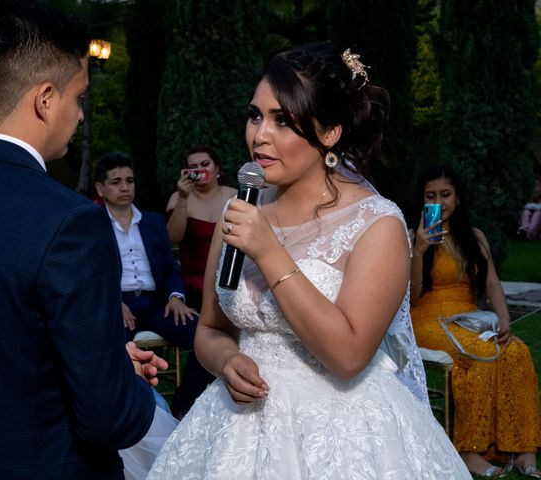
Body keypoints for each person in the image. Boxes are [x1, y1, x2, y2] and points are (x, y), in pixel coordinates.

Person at [149, 44, 470, 479]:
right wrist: (226, 360)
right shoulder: (240, 210)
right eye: (255, 115)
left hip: (343, 434)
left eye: (282, 120)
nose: (259, 135)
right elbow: (210, 327)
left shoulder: (377, 224)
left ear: (330, 132)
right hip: (237, 429)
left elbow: (349, 355)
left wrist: (269, 251)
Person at [0, 1, 165, 479]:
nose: (81, 115)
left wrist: (100, 357)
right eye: (79, 97)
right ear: (45, 99)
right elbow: (108, 419)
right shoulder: (71, 223)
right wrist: (124, 382)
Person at [410, 164, 541, 478]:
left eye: (446, 195)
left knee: (516, 353)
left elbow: (492, 283)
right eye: (431, 196)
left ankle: (521, 449)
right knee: (480, 356)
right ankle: (469, 451)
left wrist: (504, 321)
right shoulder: (411, 236)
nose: (439, 203)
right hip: (427, 320)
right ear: (422, 200)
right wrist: (419, 250)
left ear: (458, 198)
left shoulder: (475, 237)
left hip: (469, 319)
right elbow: (409, 298)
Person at [94, 152, 215, 417]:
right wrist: (115, 302)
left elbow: (171, 270)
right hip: (118, 305)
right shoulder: (92, 224)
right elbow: (89, 273)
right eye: (116, 182)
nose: (125, 187)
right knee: (108, 347)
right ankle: (132, 412)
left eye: (129, 180)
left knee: (207, 336)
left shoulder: (152, 222)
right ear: (100, 188)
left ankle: (183, 406)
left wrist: (176, 298)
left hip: (155, 303)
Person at [165, 145, 237, 310]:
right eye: (193, 167)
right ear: (186, 172)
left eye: (205, 164)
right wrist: (183, 198)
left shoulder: (235, 196)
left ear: (217, 167)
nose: (200, 170)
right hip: (196, 282)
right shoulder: (178, 198)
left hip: (232, 276)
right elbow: (172, 238)